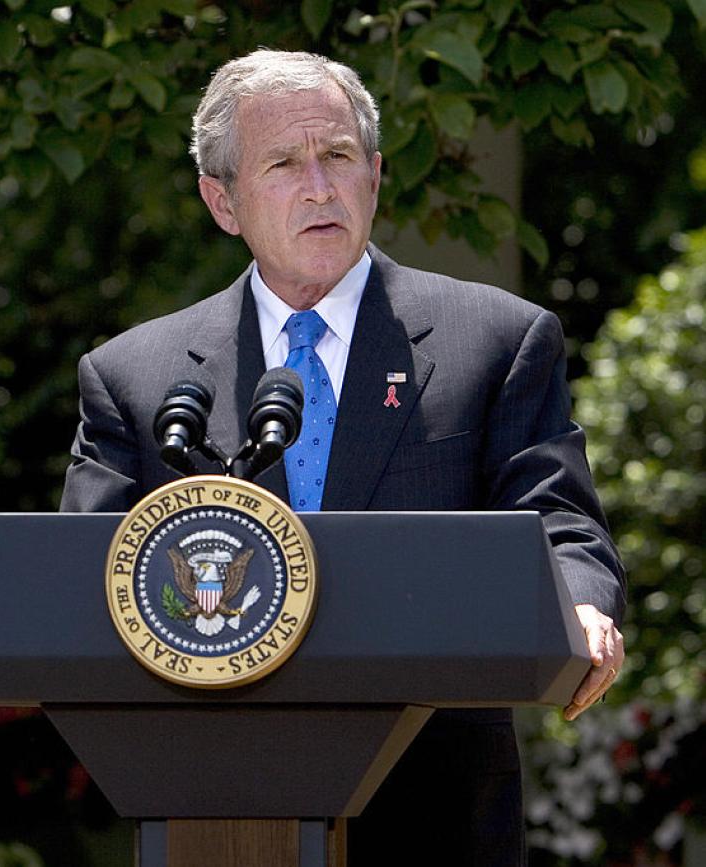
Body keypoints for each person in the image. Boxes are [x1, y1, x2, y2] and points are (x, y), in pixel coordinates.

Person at [60, 50, 625, 865]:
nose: (319, 187)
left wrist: (582, 606)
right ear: (223, 202)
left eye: (338, 156)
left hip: (436, 806)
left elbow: (560, 521)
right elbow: (81, 585)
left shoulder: (496, 341)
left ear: (376, 175)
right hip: (216, 800)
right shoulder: (134, 378)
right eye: (284, 163)